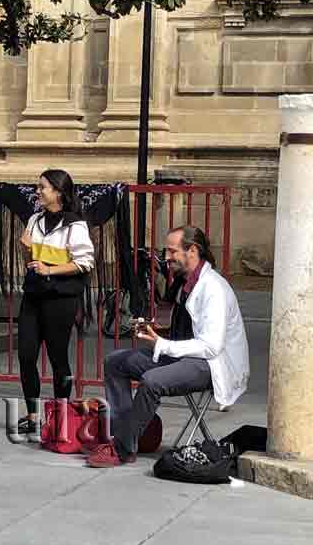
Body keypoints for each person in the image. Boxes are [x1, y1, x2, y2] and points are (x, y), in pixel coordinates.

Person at [87, 225, 250, 468]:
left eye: (172, 251)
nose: (167, 257)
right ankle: (127, 432)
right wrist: (155, 333)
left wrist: (164, 345)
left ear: (192, 251)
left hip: (212, 364)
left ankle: (122, 448)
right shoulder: (185, 282)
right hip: (184, 355)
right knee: (116, 362)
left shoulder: (213, 288)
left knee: (152, 381)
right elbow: (183, 325)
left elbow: (211, 347)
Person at [15, 169, 95, 434]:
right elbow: (31, 258)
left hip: (60, 299)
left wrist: (50, 269)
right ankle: (33, 414)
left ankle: (62, 414)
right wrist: (25, 247)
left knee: (58, 357)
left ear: (58, 192)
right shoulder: (35, 219)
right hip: (33, 295)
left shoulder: (75, 224)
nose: (38, 192)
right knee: (26, 354)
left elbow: (85, 263)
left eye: (43, 187)